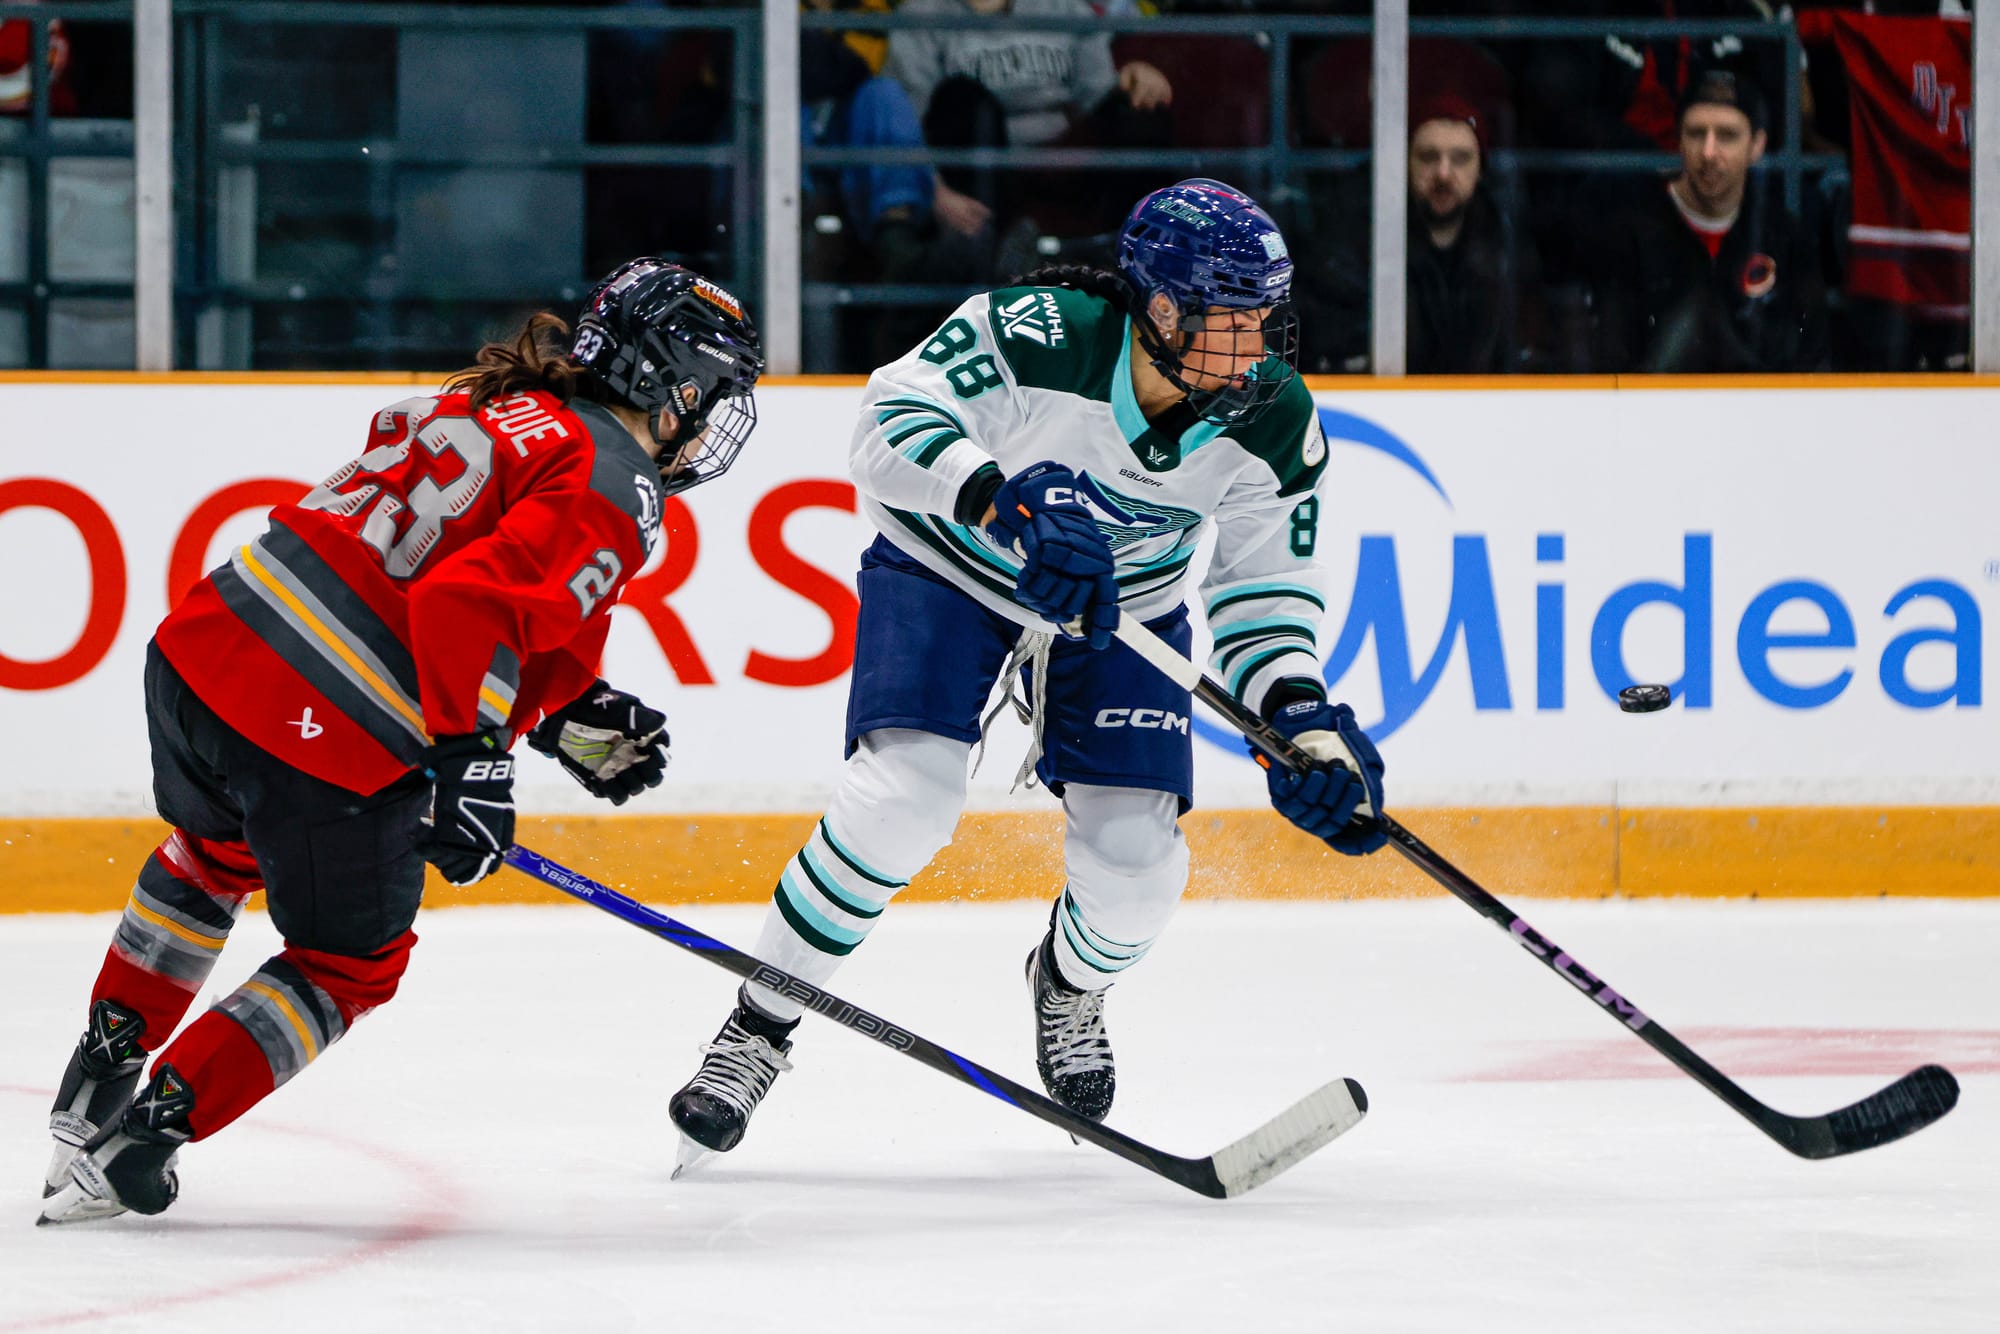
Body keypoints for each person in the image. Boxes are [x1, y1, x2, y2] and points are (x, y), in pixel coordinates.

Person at [666, 178, 1388, 1170]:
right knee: (900, 800)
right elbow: (883, 420)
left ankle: (1067, 982)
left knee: (1138, 870)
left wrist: (1300, 724)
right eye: (1235, 320)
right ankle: (758, 1022)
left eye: (1267, 317)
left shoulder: (1269, 419)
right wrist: (998, 497)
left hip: (1119, 612)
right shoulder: (1039, 330)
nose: (1258, 345)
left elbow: (1263, 593)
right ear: (1162, 309)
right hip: (951, 563)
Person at [38, 258, 764, 1224]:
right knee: (349, 963)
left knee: (212, 857)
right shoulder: (617, 480)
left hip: (203, 655)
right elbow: (463, 604)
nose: (709, 423)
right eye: (709, 395)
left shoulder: (497, 402)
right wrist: (475, 760)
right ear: (667, 380)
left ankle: (97, 1078)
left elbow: (494, 614)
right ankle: (142, 1137)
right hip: (318, 723)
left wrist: (560, 712)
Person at [1585, 67, 1829, 372]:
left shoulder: (1784, 236)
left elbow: (1811, 359)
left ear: (1756, 145)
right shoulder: (1631, 232)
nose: (1709, 152)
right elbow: (1612, 362)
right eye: (1696, 133)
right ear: (1679, 140)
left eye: (1727, 136)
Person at [1404, 95, 1544, 374]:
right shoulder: (1368, 243)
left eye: (1460, 159)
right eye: (1428, 157)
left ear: (1480, 168)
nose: (1443, 174)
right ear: (1405, 163)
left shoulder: (1510, 252)